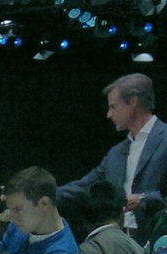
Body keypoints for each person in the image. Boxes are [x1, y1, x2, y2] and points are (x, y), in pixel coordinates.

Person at [59, 74, 167, 234]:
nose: (109, 114)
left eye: (113, 107)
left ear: (133, 102)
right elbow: (84, 186)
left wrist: (143, 199)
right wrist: (43, 194)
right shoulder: (116, 153)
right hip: (121, 238)